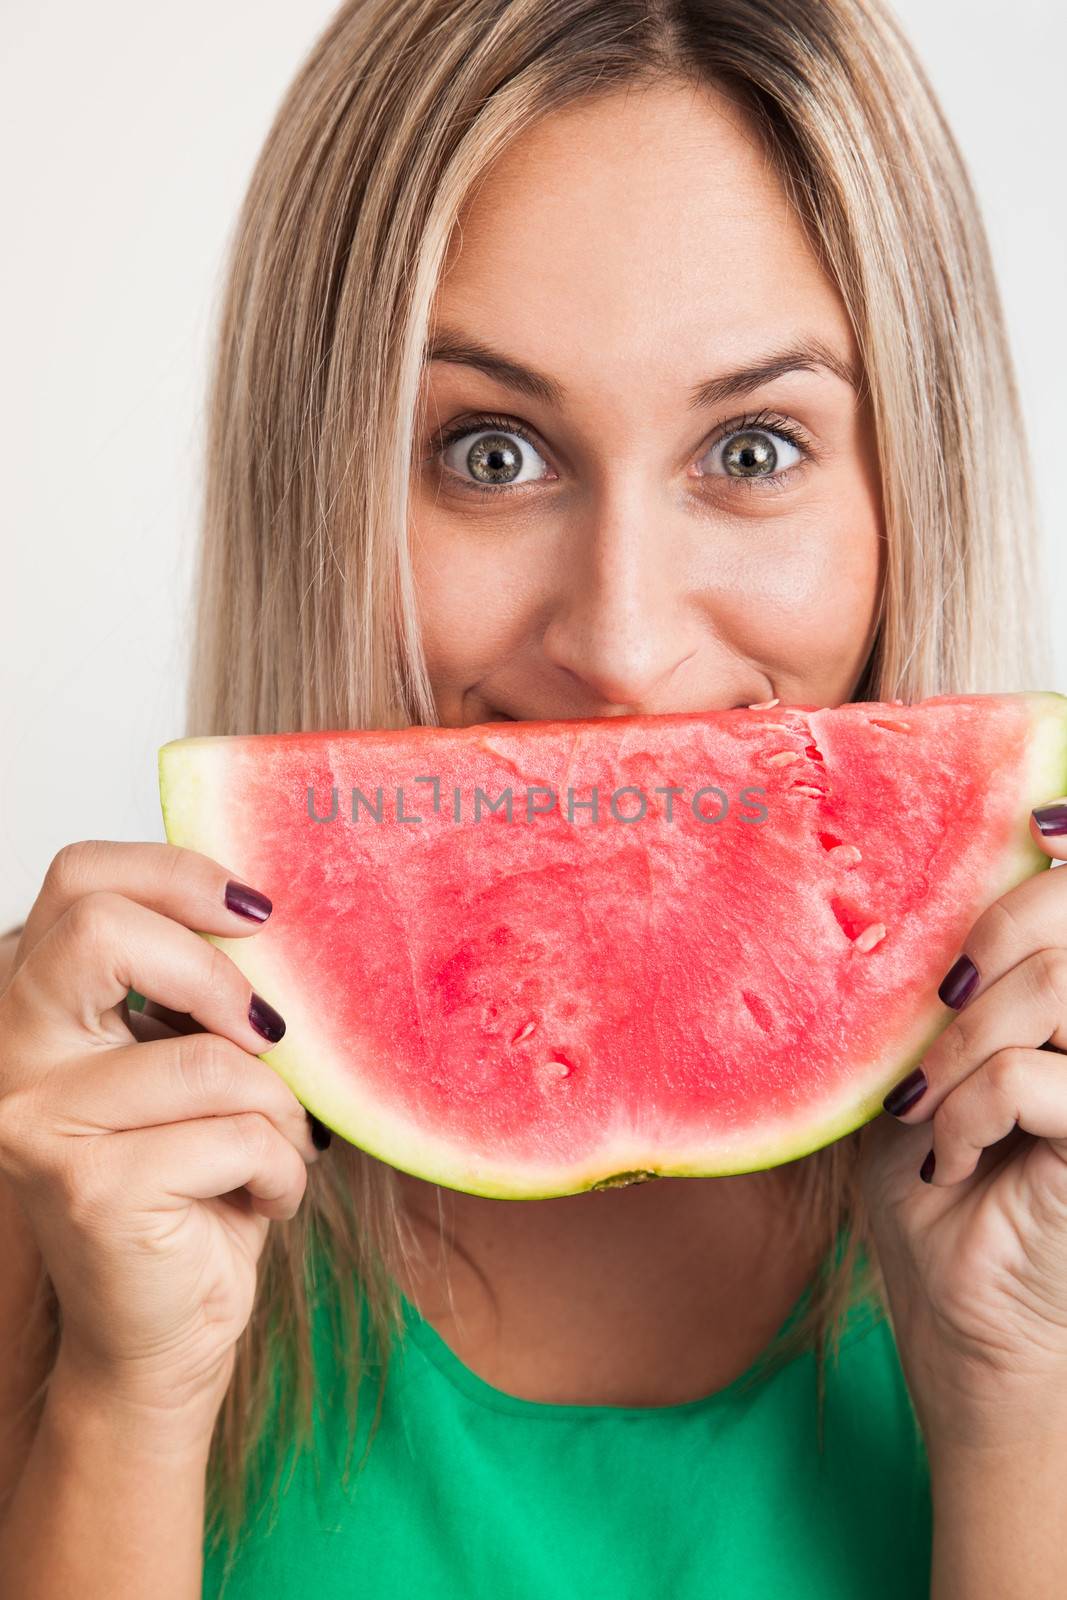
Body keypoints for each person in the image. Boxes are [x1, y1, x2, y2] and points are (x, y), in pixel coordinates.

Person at [1, 1, 1065, 1595]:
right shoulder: (56, 1148)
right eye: (490, 452)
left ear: (910, 478)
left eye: (756, 448)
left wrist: (1018, 1410)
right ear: (324, 478)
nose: (623, 646)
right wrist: (126, 1398)